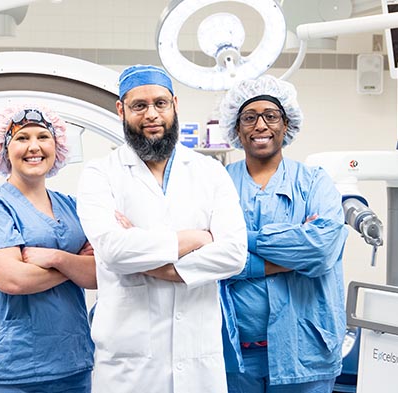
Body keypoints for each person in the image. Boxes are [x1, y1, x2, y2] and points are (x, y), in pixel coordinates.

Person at [76, 64, 247, 393]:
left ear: (175, 105)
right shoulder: (100, 174)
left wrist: (151, 259)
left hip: (198, 359)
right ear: (121, 110)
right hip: (129, 365)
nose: (151, 114)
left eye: (160, 103)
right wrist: (196, 239)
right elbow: (112, 250)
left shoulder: (209, 172)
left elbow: (234, 254)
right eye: (139, 106)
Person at [218, 75, 348, 393]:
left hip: (306, 352)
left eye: (270, 116)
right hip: (236, 359)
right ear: (237, 128)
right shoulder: (217, 183)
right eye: (249, 117)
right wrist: (290, 247)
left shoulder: (314, 182)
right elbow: (203, 255)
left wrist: (240, 240)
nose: (260, 125)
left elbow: (319, 250)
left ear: (285, 124)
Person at [0, 104, 96, 393]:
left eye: (43, 137)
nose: (34, 146)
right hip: (7, 369)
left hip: (71, 365)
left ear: (56, 146)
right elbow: (13, 279)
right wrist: (73, 265)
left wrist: (55, 258)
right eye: (22, 138)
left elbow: (100, 272)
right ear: (5, 149)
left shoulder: (73, 208)